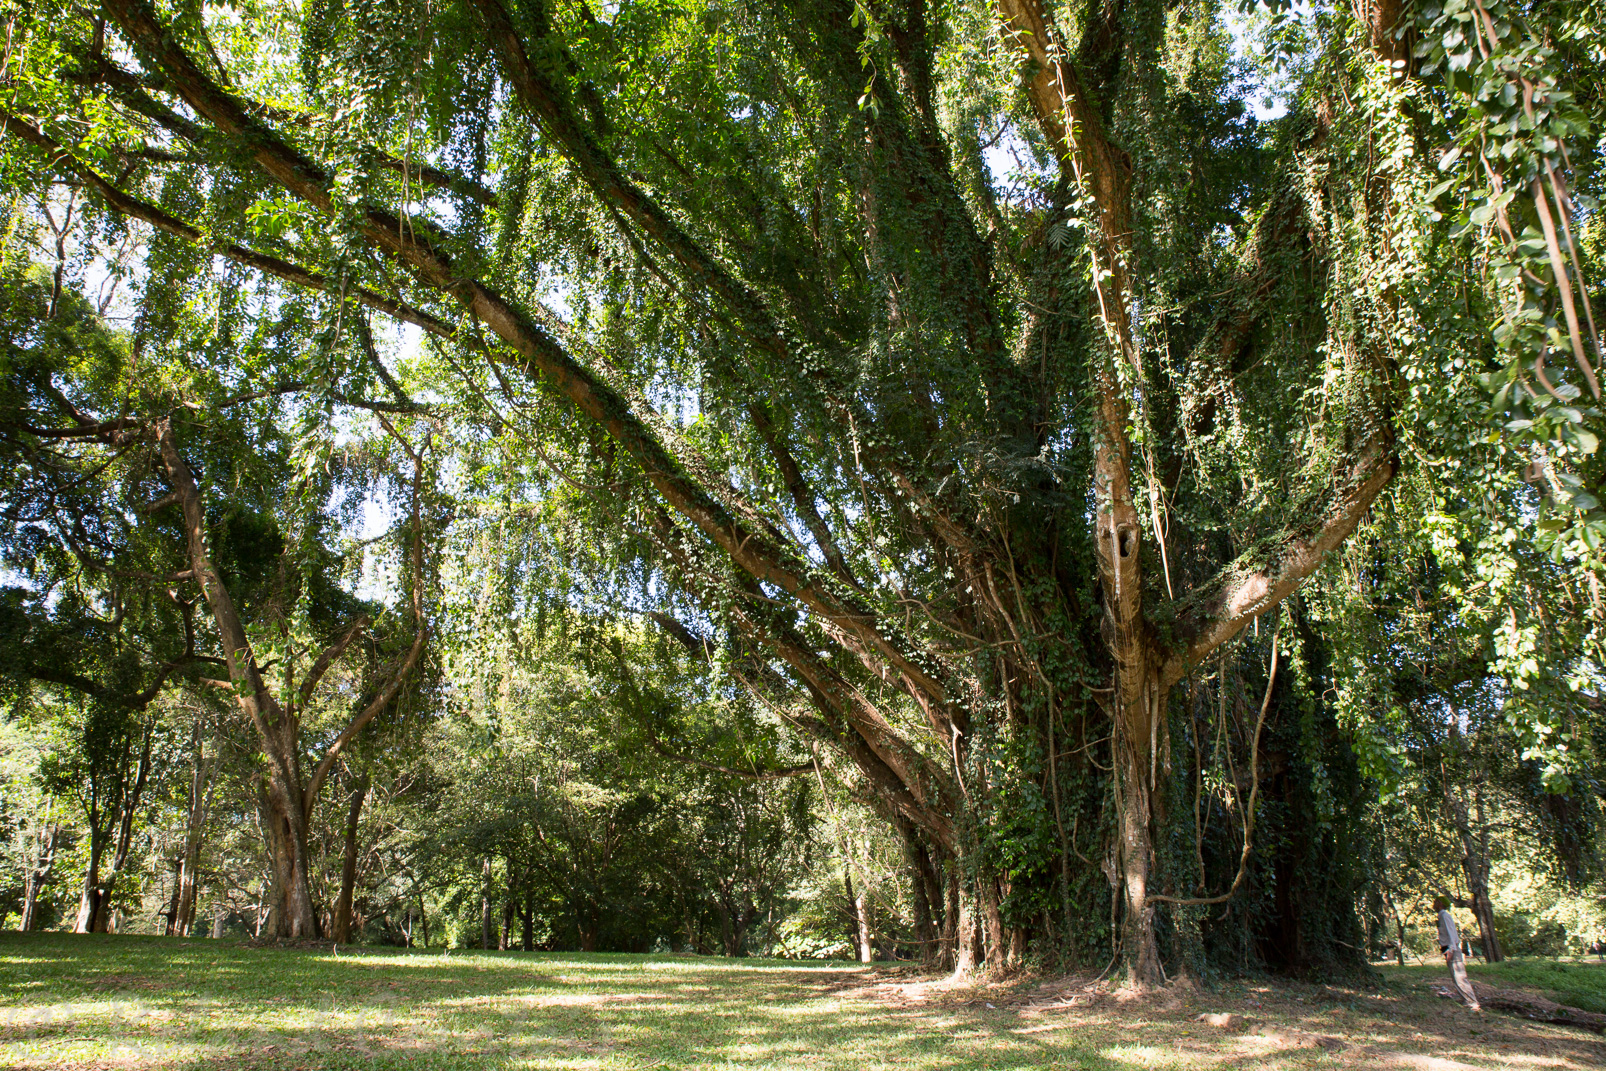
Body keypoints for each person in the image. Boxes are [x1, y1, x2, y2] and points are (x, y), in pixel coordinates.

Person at [1435, 896, 1481, 1011]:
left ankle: (1472, 1002)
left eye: (1435, 902)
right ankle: (1466, 1000)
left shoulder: (1445, 916)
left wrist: (1451, 950)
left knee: (1460, 976)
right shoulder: (1441, 916)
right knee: (1455, 977)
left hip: (1452, 949)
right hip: (1447, 949)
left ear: (1440, 903)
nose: (1433, 905)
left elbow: (1452, 933)